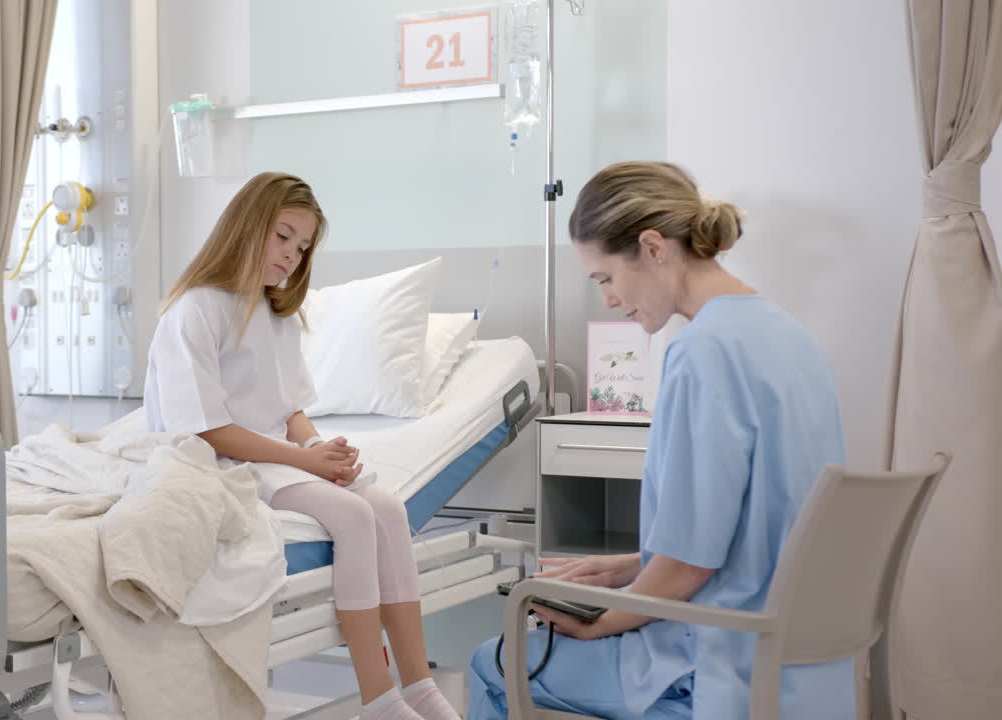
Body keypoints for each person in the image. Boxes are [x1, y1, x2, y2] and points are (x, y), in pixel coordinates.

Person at [467, 161, 855, 719]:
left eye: (603, 278)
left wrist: (600, 620)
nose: (606, 299)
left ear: (653, 248)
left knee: (498, 660)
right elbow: (754, 530)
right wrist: (634, 565)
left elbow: (690, 566)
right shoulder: (793, 340)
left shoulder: (702, 352)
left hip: (720, 664)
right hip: (804, 666)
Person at [143, 172, 460, 720]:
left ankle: (418, 684)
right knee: (352, 517)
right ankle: (378, 698)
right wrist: (304, 460)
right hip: (219, 462)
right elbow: (206, 429)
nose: (292, 255)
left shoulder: (276, 312)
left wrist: (321, 446)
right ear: (247, 227)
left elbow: (289, 409)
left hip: (273, 454)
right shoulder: (195, 309)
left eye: (303, 246)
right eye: (283, 236)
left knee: (385, 507)